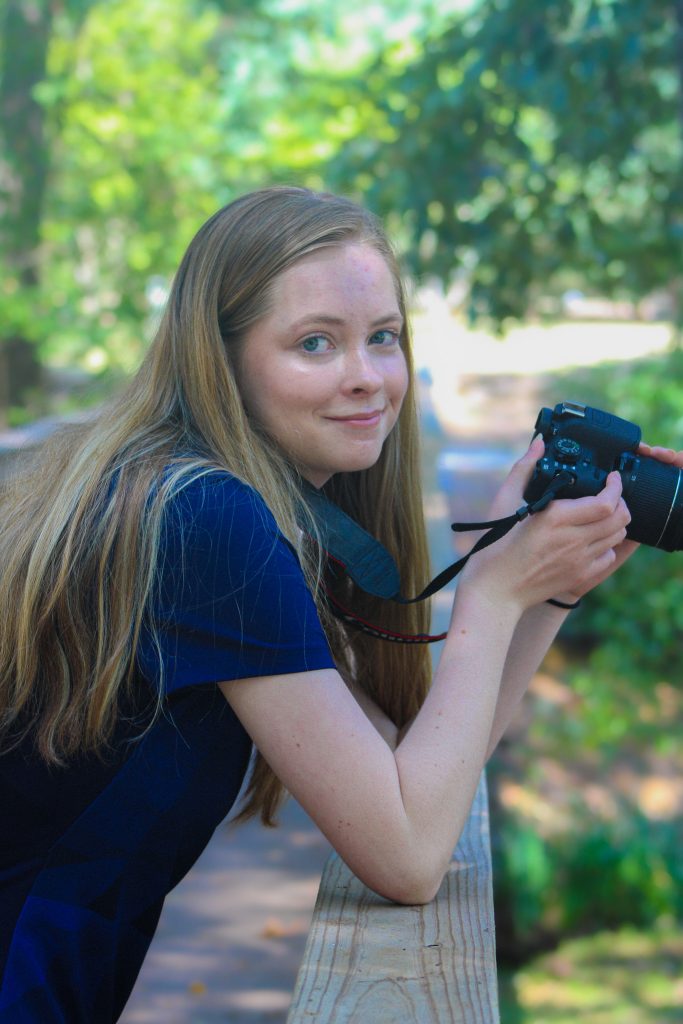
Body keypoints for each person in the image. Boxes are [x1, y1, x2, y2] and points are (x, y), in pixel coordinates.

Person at [0, 185, 647, 1022]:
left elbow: (420, 776)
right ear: (220, 360)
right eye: (315, 344)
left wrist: (549, 588)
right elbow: (407, 856)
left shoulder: (207, 498)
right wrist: (490, 594)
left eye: (383, 338)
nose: (367, 379)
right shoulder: (205, 519)